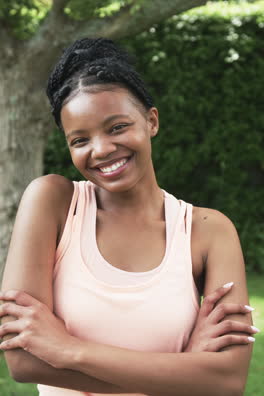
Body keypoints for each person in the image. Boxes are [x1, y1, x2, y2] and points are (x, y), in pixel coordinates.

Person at [0, 38, 258, 396]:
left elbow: (228, 380)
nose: (101, 149)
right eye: (80, 140)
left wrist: (69, 349)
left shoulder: (208, 231)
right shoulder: (54, 202)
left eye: (117, 127)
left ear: (151, 121)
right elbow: (23, 361)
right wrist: (186, 371)